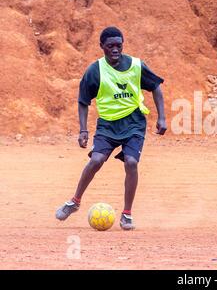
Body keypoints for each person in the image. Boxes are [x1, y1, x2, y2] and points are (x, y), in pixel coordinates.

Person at [56, 26, 167, 230]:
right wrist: (83, 130)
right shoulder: (95, 71)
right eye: (110, 46)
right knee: (96, 160)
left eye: (118, 45)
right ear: (102, 47)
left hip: (133, 122)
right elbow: (83, 101)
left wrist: (162, 117)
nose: (115, 49)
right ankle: (75, 201)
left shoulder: (136, 65)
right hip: (107, 124)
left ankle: (127, 214)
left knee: (131, 162)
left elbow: (156, 87)